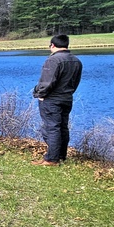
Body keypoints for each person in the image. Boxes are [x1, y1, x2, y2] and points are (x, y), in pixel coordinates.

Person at [32, 33, 82, 166]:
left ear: (52, 45)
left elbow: (47, 82)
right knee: (63, 127)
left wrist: (39, 94)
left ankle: (51, 159)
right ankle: (60, 155)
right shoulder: (76, 61)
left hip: (52, 99)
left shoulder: (53, 60)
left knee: (51, 128)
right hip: (67, 98)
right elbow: (75, 82)